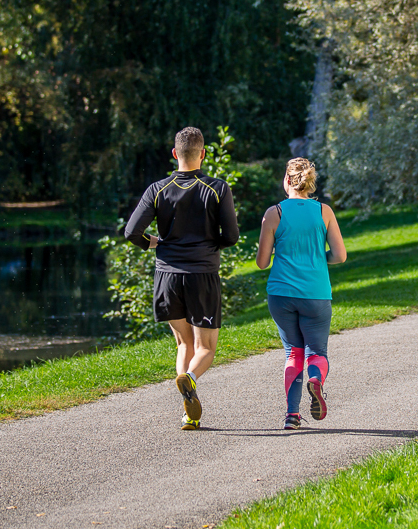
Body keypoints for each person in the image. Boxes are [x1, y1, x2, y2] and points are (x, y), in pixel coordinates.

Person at [124, 127, 239, 430]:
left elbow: (131, 232)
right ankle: (190, 379)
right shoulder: (217, 188)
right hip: (201, 274)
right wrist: (211, 244)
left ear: (175, 154)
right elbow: (232, 236)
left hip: (167, 277)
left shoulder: (157, 189)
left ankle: (189, 413)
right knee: (206, 348)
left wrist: (154, 243)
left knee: (182, 344)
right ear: (203, 153)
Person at [256, 157, 347, 430]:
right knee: (316, 351)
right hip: (316, 293)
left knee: (293, 352)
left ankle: (292, 416)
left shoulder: (274, 213)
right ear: (309, 182)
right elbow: (340, 256)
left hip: (281, 295)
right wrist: (319, 257)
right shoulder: (324, 211)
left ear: (287, 180)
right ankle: (316, 379)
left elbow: (262, 263)